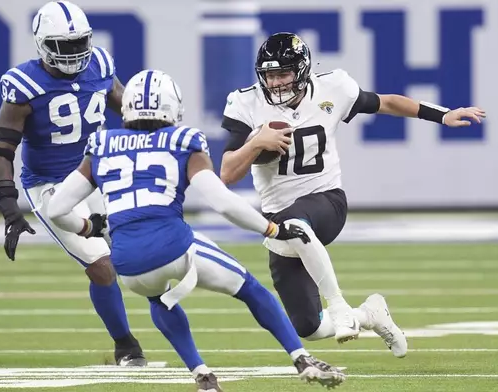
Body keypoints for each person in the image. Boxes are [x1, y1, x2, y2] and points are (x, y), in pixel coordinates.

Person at [47, 69, 346, 391]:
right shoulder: (183, 140)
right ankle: (301, 358)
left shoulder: (103, 143)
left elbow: (55, 209)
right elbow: (223, 202)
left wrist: (89, 226)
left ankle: (202, 374)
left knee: (160, 298)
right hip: (173, 244)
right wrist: (271, 229)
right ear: (172, 106)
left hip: (126, 262)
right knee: (250, 288)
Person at [219, 32, 486, 357]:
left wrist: (441, 114)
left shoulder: (334, 88)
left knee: (296, 225)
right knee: (309, 327)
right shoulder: (246, 103)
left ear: (302, 70)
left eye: (283, 73)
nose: (275, 83)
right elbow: (228, 173)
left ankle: (340, 305)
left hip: (326, 200)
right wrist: (256, 143)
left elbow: (385, 102)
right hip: (278, 217)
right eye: (269, 75)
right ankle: (370, 315)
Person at [0, 1, 145, 366]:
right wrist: (9, 208)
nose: (73, 54)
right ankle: (126, 344)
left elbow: (129, 109)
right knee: (101, 265)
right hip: (51, 185)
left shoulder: (100, 64)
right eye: (63, 45)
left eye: (78, 43)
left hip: (97, 173)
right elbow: (0, 149)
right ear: (42, 44)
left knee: (142, 251)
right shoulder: (24, 85)